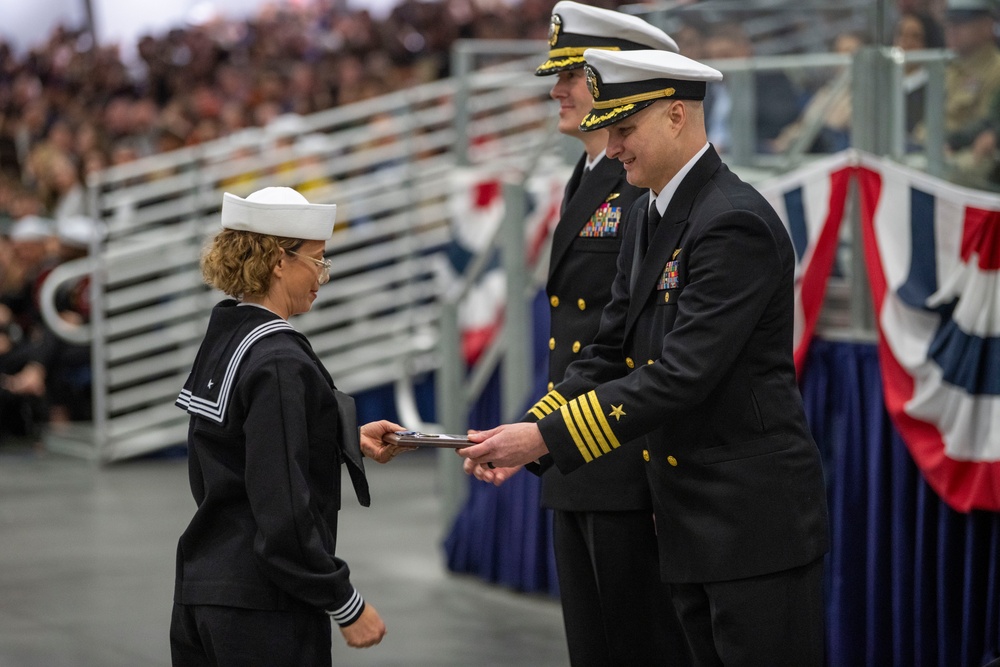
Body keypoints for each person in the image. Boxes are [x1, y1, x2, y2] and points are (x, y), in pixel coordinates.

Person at [460, 49, 830, 665]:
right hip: (685, 516)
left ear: (677, 117)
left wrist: (546, 438)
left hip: (749, 522)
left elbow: (681, 376)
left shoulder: (732, 220)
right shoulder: (645, 215)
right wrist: (531, 429)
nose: (614, 145)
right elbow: (608, 350)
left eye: (626, 129)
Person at [486, 3, 689, 664]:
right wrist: (538, 438)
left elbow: (646, 345)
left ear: (613, 78)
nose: (557, 90)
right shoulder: (591, 177)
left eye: (573, 73)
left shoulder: (641, 187)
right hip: (578, 452)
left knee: (633, 645)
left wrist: (545, 436)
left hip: (621, 458)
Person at [169, 186, 411, 666]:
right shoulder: (278, 358)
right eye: (318, 261)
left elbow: (237, 448)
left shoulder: (227, 335)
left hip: (203, 585)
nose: (323, 275)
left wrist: (338, 439)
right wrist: (343, 601)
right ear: (280, 261)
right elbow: (281, 506)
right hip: (263, 605)